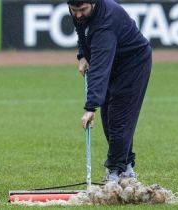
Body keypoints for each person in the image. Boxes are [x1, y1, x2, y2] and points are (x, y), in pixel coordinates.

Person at [68, 0, 152, 182]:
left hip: (133, 63)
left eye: (82, 10)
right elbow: (81, 31)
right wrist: (82, 54)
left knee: (119, 119)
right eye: (74, 10)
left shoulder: (106, 22)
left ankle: (115, 173)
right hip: (113, 61)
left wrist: (90, 107)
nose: (78, 15)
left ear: (94, 3)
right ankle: (126, 167)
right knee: (108, 119)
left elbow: (99, 68)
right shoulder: (78, 12)